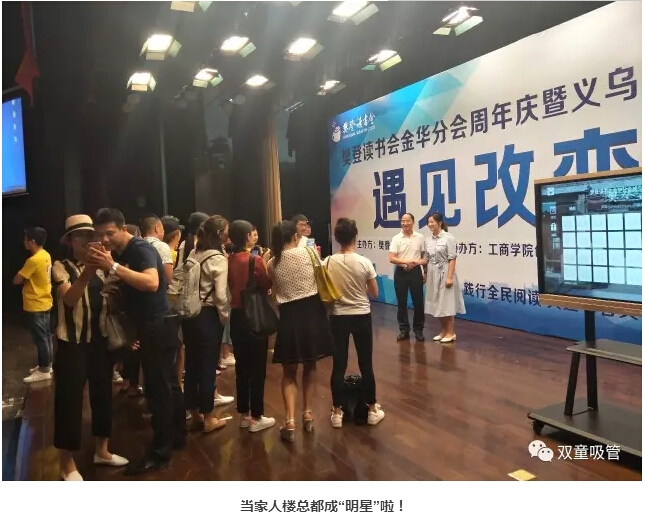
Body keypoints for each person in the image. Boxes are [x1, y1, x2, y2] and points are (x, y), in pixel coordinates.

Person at [88, 208, 185, 476]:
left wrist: (113, 267)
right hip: (153, 325)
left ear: (123, 229)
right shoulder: (124, 253)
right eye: (100, 234)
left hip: (157, 325)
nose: (104, 239)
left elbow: (152, 283)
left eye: (109, 233)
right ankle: (176, 438)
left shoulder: (139, 249)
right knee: (167, 385)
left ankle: (161, 453)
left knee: (158, 389)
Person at [52, 215, 129, 480]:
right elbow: (69, 299)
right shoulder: (60, 267)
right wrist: (88, 270)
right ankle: (66, 464)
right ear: (70, 241)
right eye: (80, 235)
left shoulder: (103, 266)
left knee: (103, 396)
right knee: (69, 401)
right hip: (72, 344)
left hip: (100, 341)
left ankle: (102, 451)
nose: (86, 240)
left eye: (90, 235)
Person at [267, 221, 333, 442]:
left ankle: (289, 421)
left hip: (288, 318)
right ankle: (308, 414)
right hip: (312, 314)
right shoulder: (309, 253)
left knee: (288, 372)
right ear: (295, 236)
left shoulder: (272, 263)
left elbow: (275, 291)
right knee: (310, 366)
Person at [323, 218, 385, 428]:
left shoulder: (327, 262)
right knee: (366, 364)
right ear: (355, 237)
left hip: (337, 316)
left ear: (336, 238)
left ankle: (337, 412)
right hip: (361, 315)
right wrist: (359, 289)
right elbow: (375, 292)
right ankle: (372, 409)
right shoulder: (364, 262)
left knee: (338, 365)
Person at [183, 215, 230, 433]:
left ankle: (195, 414)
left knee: (192, 365)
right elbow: (220, 295)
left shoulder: (194, 252)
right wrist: (224, 316)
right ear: (220, 234)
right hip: (208, 316)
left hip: (190, 315)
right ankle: (209, 417)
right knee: (208, 367)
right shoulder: (218, 258)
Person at [227, 220, 275, 432]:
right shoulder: (254, 260)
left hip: (236, 317)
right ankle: (257, 416)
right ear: (247, 237)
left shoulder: (228, 259)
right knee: (257, 368)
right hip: (254, 316)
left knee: (242, 367)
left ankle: (244, 415)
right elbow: (267, 284)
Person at [417, 212, 465, 343]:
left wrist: (449, 277)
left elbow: (452, 259)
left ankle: (451, 333)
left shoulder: (449, 238)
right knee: (437, 304)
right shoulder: (428, 240)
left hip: (445, 272)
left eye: (432, 222)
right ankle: (443, 331)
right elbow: (426, 259)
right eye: (428, 222)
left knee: (447, 304)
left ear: (440, 223)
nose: (430, 224)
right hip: (433, 274)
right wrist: (415, 262)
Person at [13, 227, 54, 383]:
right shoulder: (46, 255)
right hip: (45, 300)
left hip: (35, 303)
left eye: (26, 240)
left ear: (32, 242)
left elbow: (17, 280)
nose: (24, 242)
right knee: (46, 336)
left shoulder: (33, 260)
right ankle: (47, 365)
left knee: (40, 338)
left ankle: (44, 370)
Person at [389, 213, 426, 342]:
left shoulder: (420, 237)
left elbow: (424, 256)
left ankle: (418, 330)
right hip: (401, 272)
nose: (405, 223)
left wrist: (425, 273)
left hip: (415, 271)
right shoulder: (396, 238)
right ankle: (404, 330)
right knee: (401, 303)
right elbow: (392, 258)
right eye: (403, 221)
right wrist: (406, 262)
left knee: (418, 302)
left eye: (407, 221)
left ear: (413, 222)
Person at [141, 214, 174, 284]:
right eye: (163, 228)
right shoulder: (162, 246)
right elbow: (168, 277)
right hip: (159, 288)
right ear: (157, 228)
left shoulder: (137, 245)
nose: (163, 231)